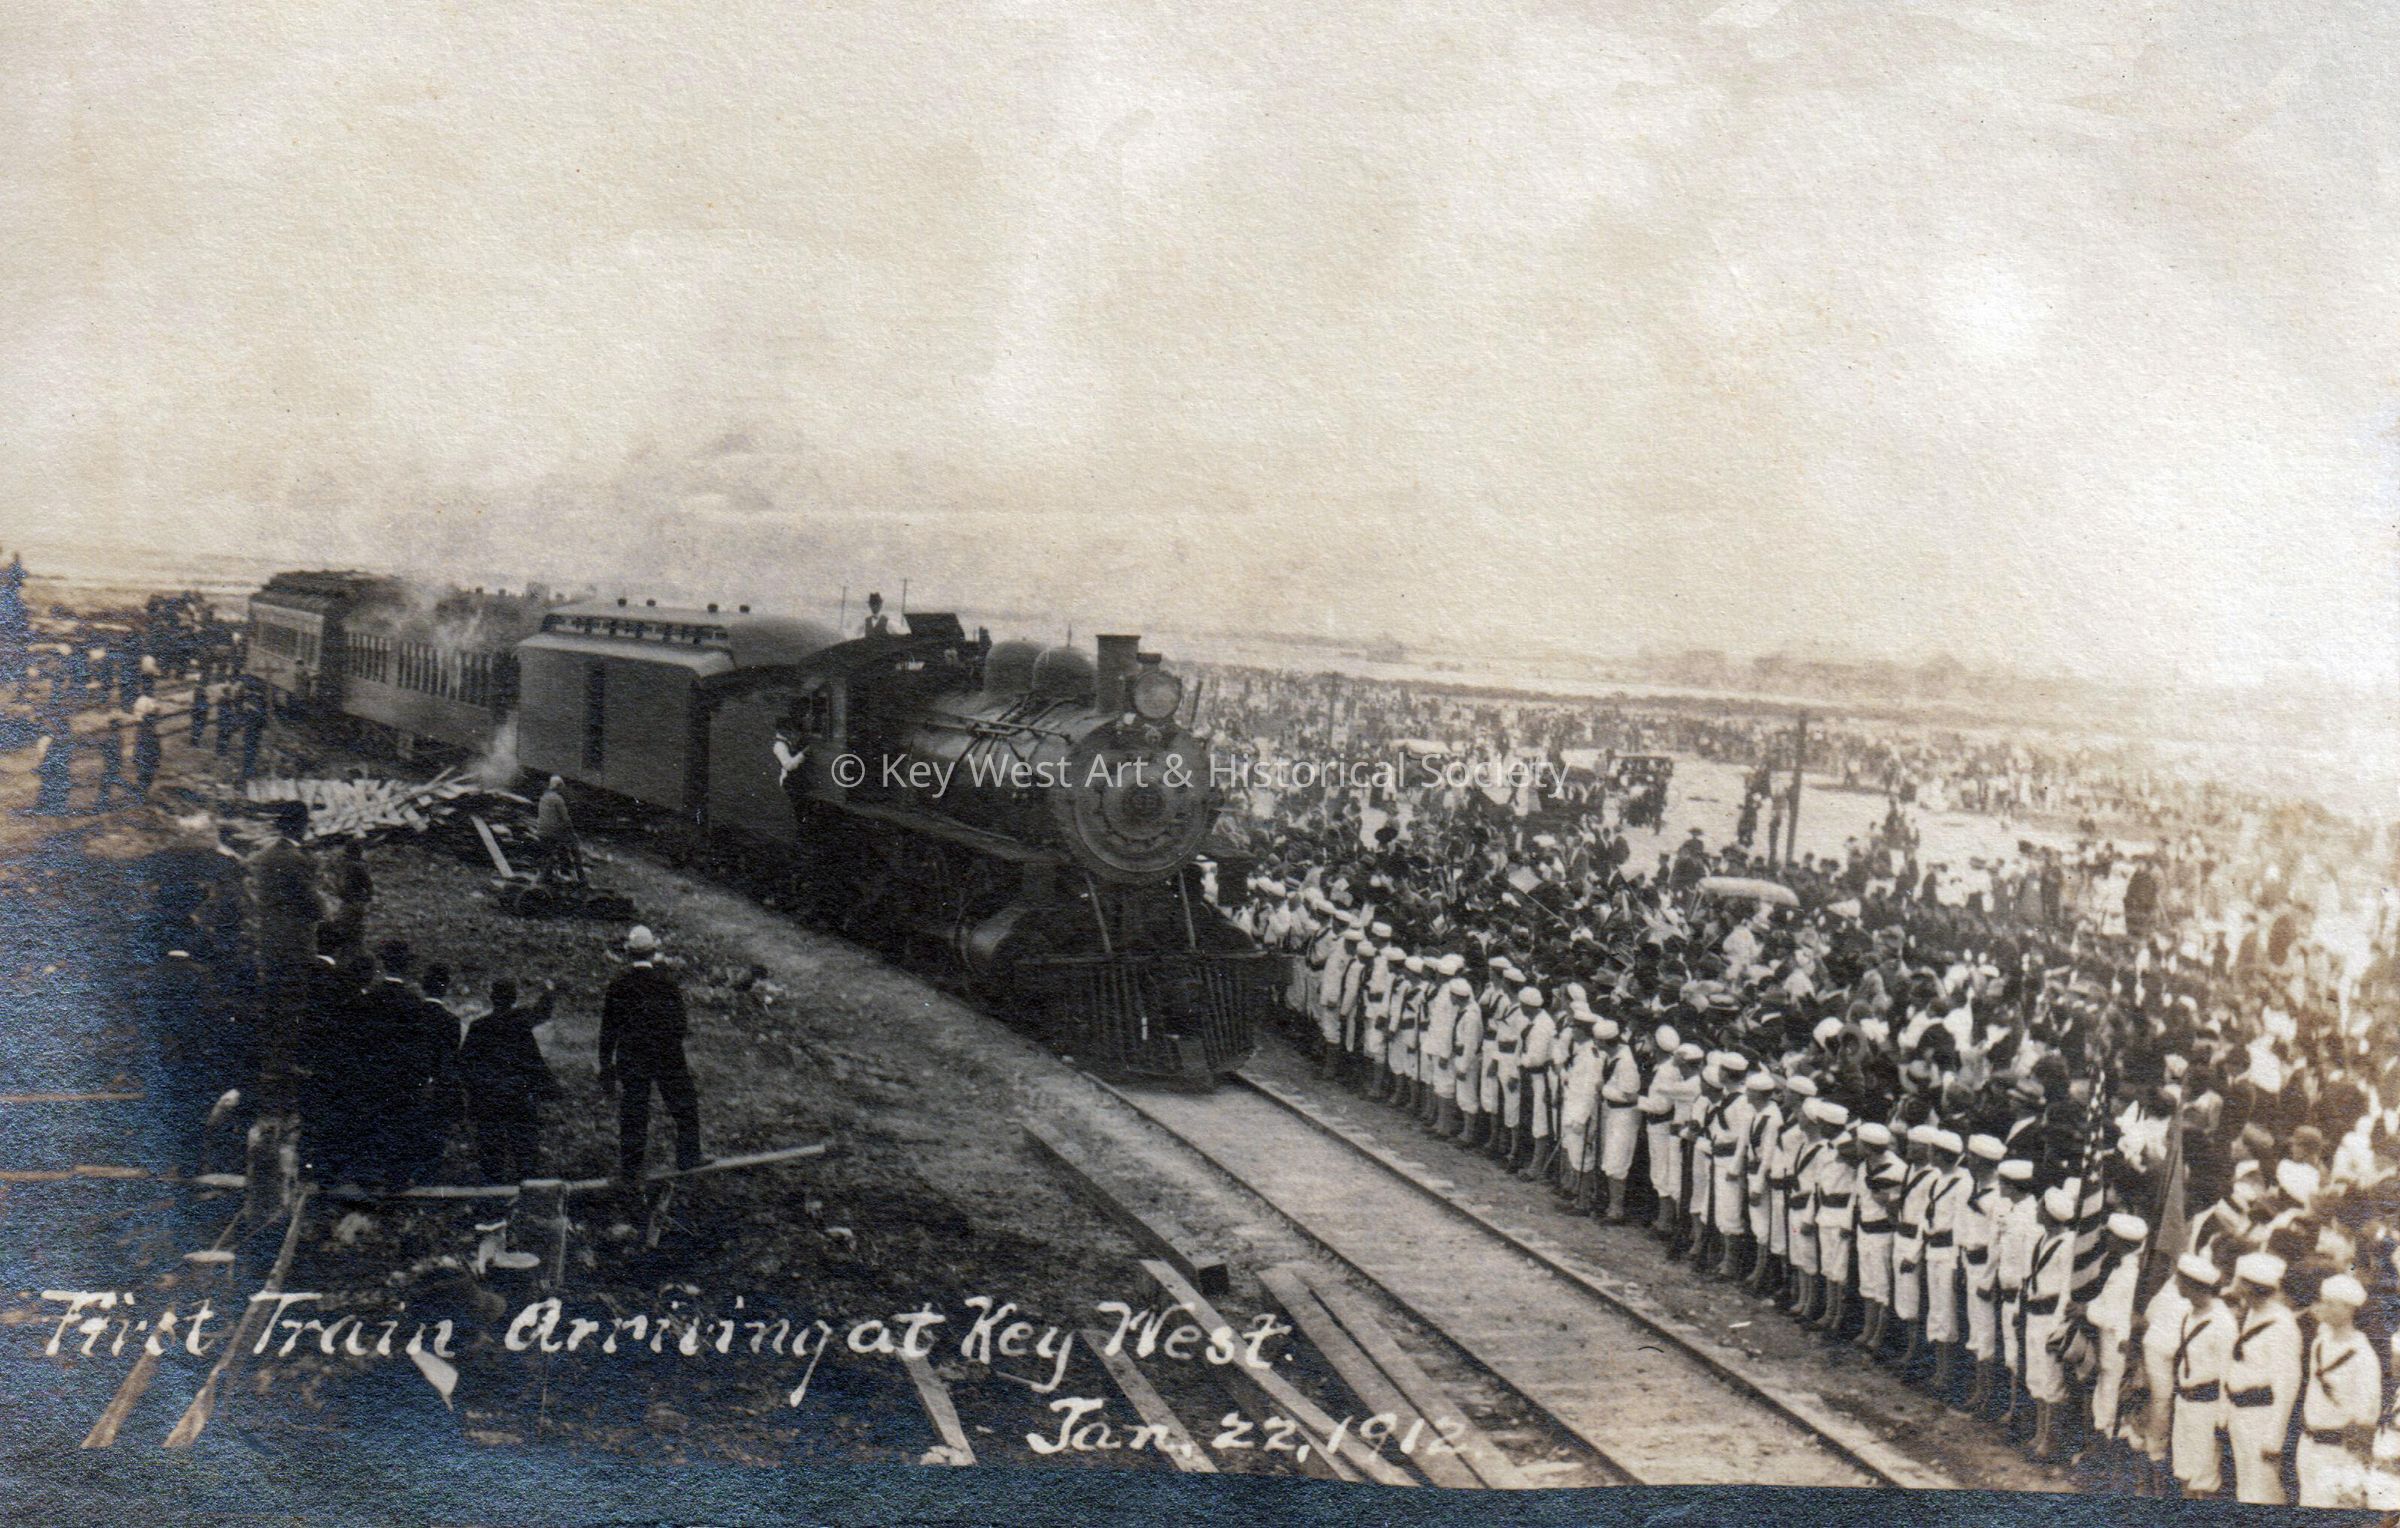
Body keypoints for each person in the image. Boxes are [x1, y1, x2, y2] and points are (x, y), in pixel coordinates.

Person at [599, 925, 704, 1182]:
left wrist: (606, 1064)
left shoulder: (618, 985)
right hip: (667, 1055)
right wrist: (668, 1045)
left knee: (634, 1112)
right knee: (684, 1105)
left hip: (632, 1057)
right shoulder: (666, 983)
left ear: (629, 953)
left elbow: (608, 1030)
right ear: (653, 952)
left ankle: (630, 1169)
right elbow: (681, 1025)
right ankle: (689, 1157)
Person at [457, 977, 560, 1184]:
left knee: (490, 1150)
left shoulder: (479, 1026)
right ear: (513, 998)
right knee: (524, 1147)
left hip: (489, 1097)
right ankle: (526, 1185)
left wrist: (477, 1089)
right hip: (518, 1094)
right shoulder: (520, 1022)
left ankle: (493, 1187)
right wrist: (549, 992)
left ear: (492, 998)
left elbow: (465, 1064)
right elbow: (541, 1015)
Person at [2223, 1251, 2300, 1505]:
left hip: (2262, 1417)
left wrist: (2274, 1437)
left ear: (2251, 1287)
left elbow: (2286, 1385)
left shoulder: (2281, 1324)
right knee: (2246, 1489)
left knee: (2263, 1493)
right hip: (2241, 1414)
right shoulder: (2253, 1313)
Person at [2298, 1273, 2378, 1508]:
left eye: (2331, 1304)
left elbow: (2366, 1414)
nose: (2324, 1308)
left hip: (2339, 1451)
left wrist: (2354, 1463)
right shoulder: (2320, 1344)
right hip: (2309, 1444)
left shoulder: (2362, 1355)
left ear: (2349, 1309)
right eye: (2324, 1301)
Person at [2169, 1253, 2235, 1499]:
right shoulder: (2189, 1314)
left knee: (2205, 1476)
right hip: (2185, 1402)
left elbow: (2227, 1373)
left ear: (2192, 1285)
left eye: (2180, 1280)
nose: (2176, 1284)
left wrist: (2222, 1419)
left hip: (2207, 1407)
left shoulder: (2222, 1322)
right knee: (2184, 1470)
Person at [534, 775, 581, 883]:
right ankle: (572, 877)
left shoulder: (543, 797)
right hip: (553, 833)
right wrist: (572, 833)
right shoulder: (558, 800)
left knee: (548, 855)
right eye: (561, 787)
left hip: (541, 831)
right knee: (565, 850)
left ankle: (546, 877)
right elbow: (566, 819)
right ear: (558, 787)